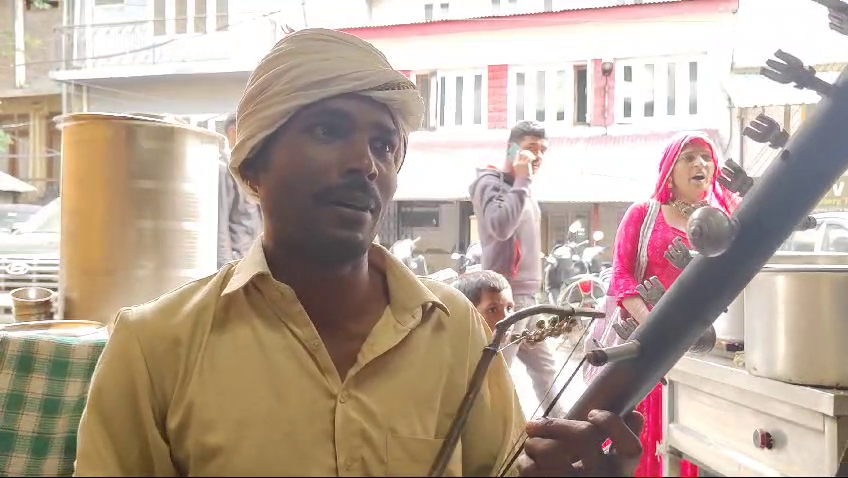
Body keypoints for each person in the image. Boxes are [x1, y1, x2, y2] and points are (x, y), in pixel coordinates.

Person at [73, 28, 644, 477]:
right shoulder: (155, 349)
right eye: (327, 130)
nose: (364, 163)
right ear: (253, 163)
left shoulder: (458, 336)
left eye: (383, 144)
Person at [602, 131, 740, 478]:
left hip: (700, 353)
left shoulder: (722, 223)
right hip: (646, 351)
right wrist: (654, 327)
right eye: (689, 157)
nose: (700, 164)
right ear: (669, 169)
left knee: (694, 444)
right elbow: (622, 276)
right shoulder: (644, 214)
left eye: (706, 157)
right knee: (646, 439)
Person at [469, 120, 563, 417]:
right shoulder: (490, 183)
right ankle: (491, 435)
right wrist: (522, 181)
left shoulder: (525, 189)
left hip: (529, 297)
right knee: (497, 373)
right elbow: (500, 226)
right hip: (504, 298)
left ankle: (561, 430)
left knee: (545, 369)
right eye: (531, 148)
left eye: (543, 150)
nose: (537, 157)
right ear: (512, 148)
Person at [218, 113, 263, 268]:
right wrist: (226, 268)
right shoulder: (224, 170)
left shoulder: (251, 167)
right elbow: (220, 224)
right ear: (233, 132)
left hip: (251, 259)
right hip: (236, 262)